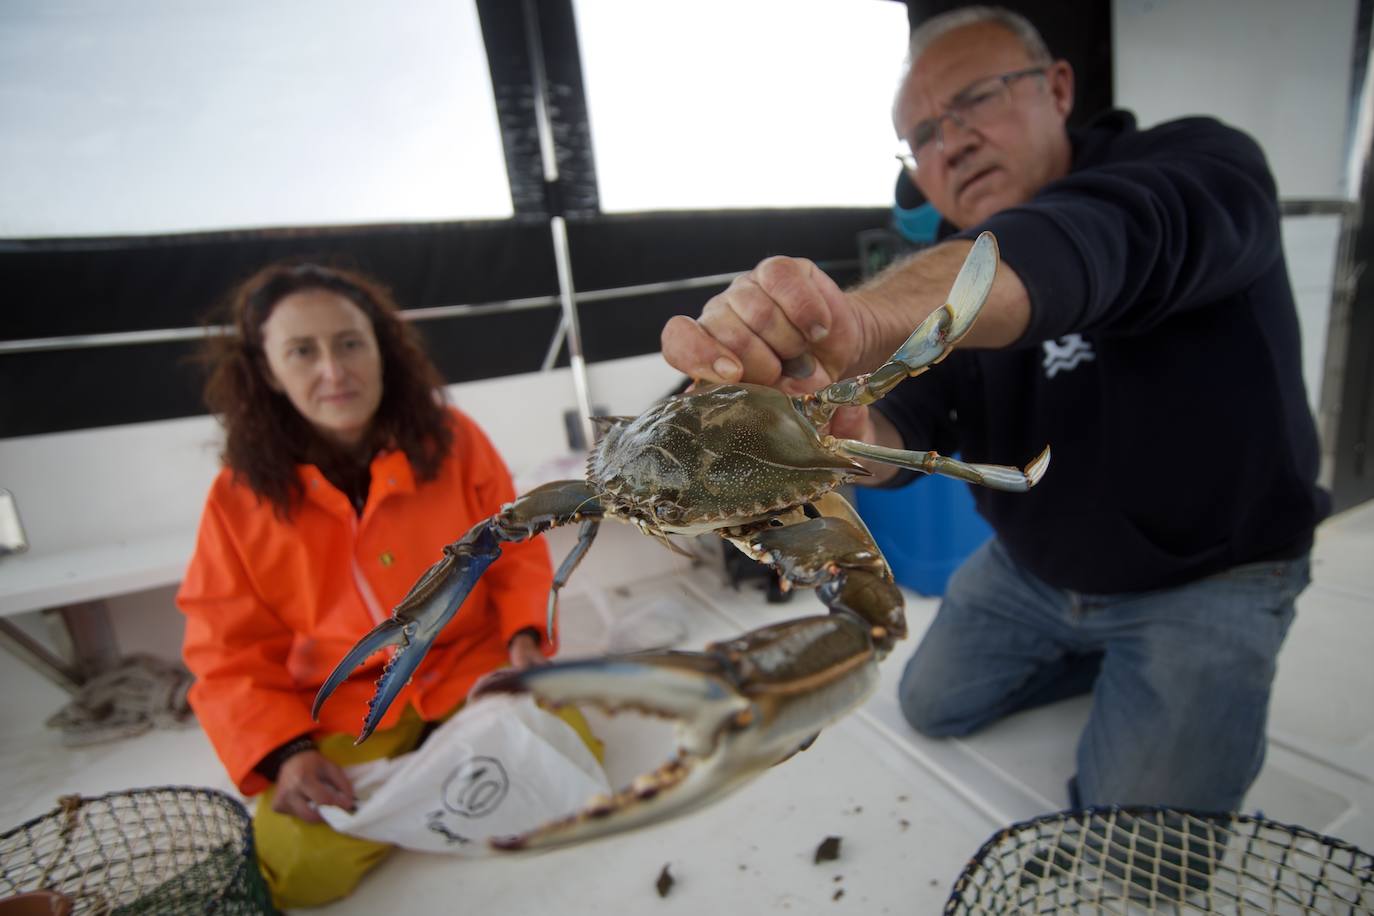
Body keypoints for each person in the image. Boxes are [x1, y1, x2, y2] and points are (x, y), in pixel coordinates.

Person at [660, 5, 1328, 817]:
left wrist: (863, 321)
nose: (953, 142)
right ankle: (1098, 659)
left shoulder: (1200, 167)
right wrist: (838, 437)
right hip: (1032, 571)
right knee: (928, 704)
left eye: (974, 99)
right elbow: (901, 427)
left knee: (1150, 855)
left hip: (1210, 574)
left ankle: (1147, 665)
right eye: (925, 134)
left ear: (1057, 88)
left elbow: (1091, 242)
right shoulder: (932, 264)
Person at [177, 262, 594, 908]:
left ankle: (420, 803)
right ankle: (436, 797)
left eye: (349, 342)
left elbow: (516, 552)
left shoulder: (454, 440)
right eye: (302, 351)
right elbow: (224, 651)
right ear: (265, 370)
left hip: (471, 666)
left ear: (381, 347)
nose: (334, 371)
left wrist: (524, 639)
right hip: (347, 703)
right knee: (296, 867)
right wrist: (285, 753)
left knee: (574, 754)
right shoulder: (236, 498)